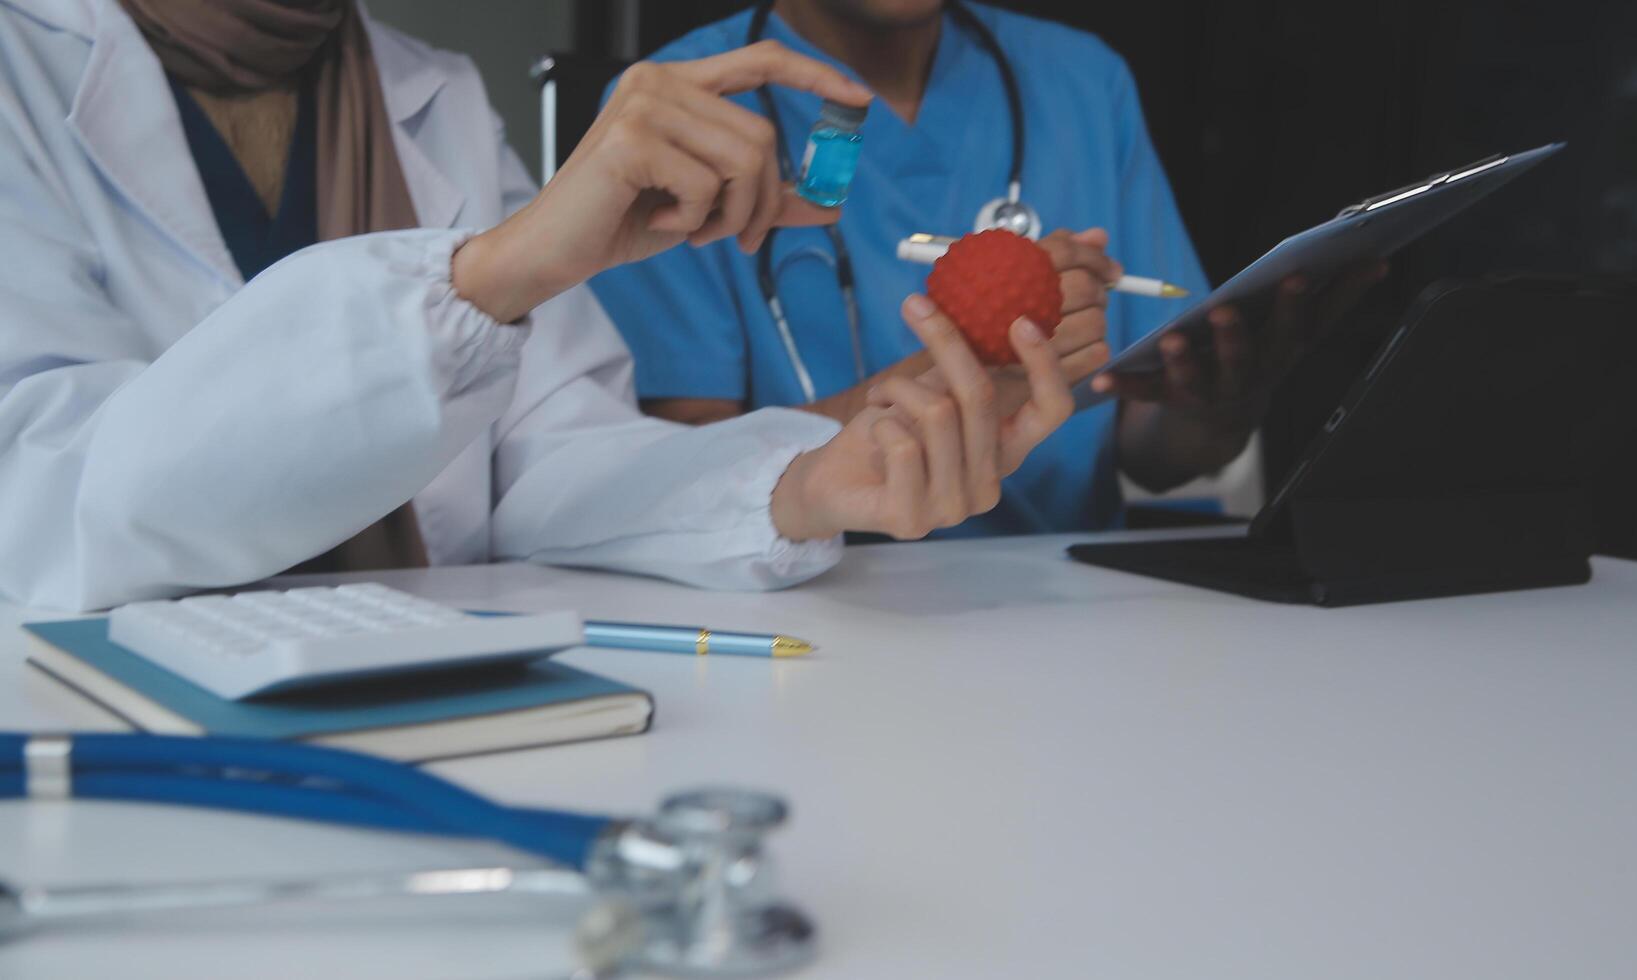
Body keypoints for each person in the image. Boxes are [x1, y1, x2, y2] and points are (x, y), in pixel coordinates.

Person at [0, 0, 1076, 611]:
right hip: (107, 745)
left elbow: (553, 459)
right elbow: (46, 507)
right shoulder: (20, 75)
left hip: (436, 707)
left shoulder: (435, 93)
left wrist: (801, 481)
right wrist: (486, 278)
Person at [591, 0, 1384, 537]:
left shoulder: (1081, 82)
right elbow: (672, 490)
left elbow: (1152, 446)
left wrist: (1218, 407)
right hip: (811, 612)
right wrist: (951, 379)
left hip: (1062, 608)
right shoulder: (675, 114)